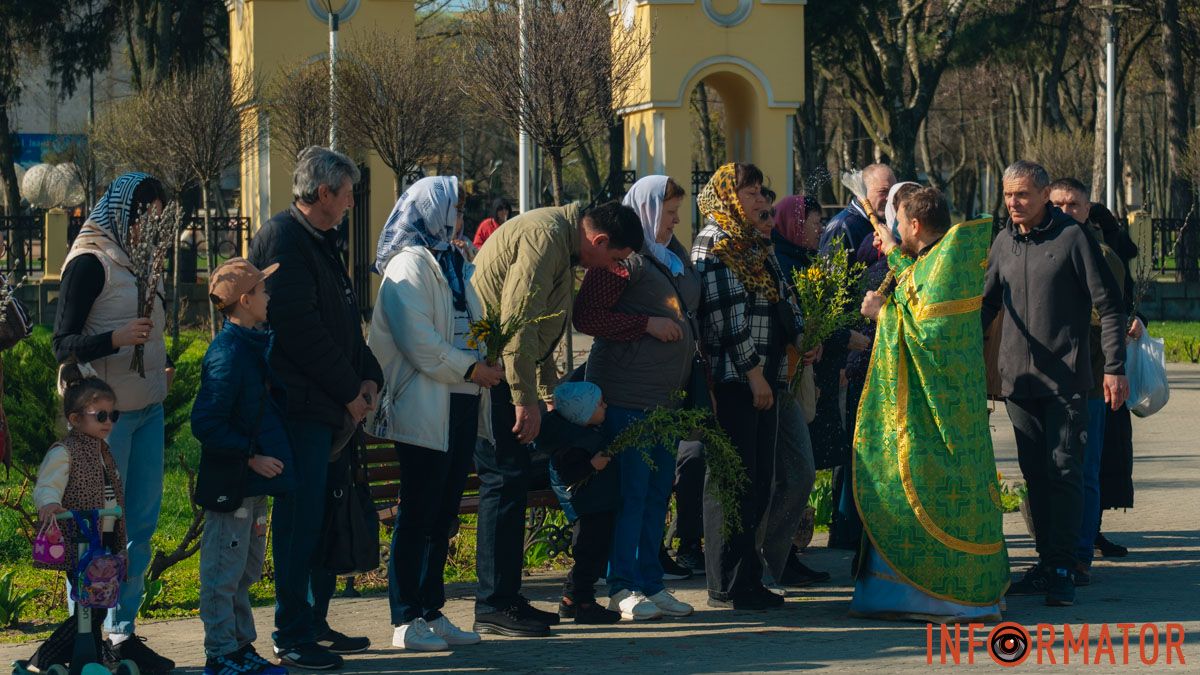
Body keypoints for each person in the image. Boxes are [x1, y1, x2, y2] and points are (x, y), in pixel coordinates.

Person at [469, 200, 643, 636]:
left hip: (507, 377)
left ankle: (507, 597)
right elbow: (519, 323)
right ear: (599, 241)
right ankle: (494, 602)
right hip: (495, 378)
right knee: (504, 483)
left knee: (510, 484)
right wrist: (525, 398)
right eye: (614, 260)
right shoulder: (546, 237)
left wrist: (547, 395)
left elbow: (543, 330)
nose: (610, 269)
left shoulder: (562, 242)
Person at [249, 145, 383, 670]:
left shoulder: (322, 240)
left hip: (333, 407)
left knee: (324, 517)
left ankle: (315, 620)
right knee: (300, 521)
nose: (352, 201)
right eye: (347, 192)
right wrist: (352, 390)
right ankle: (291, 631)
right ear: (323, 193)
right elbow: (299, 331)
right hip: (302, 408)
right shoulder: (283, 237)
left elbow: (345, 323)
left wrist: (368, 375)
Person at [852, 187, 1009, 622]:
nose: (897, 228)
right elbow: (918, 285)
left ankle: (938, 599)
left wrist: (881, 315)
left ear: (916, 226)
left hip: (935, 415)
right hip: (946, 409)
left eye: (899, 222)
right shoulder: (939, 260)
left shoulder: (946, 266)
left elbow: (926, 337)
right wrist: (891, 252)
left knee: (923, 488)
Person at [981, 160, 1128, 607]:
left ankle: (1065, 566)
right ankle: (1046, 562)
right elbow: (985, 306)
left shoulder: (1072, 238)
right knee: (1036, 476)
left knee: (1065, 473)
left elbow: (1111, 307)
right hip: (1019, 384)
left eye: (1022, 194)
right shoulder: (1004, 241)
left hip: (1067, 383)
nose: (1014, 203)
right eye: (1008, 195)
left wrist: (1114, 368)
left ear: (1044, 194)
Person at [366, 176, 504, 651]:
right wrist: (472, 368)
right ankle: (405, 618)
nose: (461, 220)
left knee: (443, 513)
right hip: (426, 403)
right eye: (456, 210)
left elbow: (475, 320)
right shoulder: (408, 265)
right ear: (432, 211)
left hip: (462, 399)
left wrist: (490, 357)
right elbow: (420, 343)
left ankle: (432, 609)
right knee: (418, 511)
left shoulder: (454, 259)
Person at [52, 172, 175, 674]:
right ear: (125, 213)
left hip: (147, 410)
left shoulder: (138, 260)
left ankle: (122, 633)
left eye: (159, 218)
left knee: (139, 528)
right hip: (107, 422)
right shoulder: (90, 261)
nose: (153, 227)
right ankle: (86, 639)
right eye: (147, 217)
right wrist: (117, 339)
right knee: (98, 529)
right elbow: (62, 344)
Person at [573, 175, 699, 621]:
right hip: (626, 396)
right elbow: (587, 315)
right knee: (630, 494)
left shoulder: (671, 258)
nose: (675, 221)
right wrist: (644, 325)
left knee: (655, 493)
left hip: (665, 399)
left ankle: (650, 581)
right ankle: (621, 585)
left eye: (677, 212)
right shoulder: (622, 261)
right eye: (668, 213)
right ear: (645, 211)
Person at [691, 163, 802, 610]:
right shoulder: (716, 242)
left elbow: (783, 295)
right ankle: (728, 582)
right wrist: (753, 372)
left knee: (757, 480)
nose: (761, 200)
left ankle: (748, 577)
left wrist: (799, 338)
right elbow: (724, 317)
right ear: (726, 196)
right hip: (737, 380)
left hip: (768, 376)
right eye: (750, 192)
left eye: (762, 190)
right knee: (732, 481)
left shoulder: (757, 241)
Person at [192, 258, 293, 675]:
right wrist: (249, 456)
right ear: (246, 299)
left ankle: (241, 646)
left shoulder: (252, 344)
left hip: (252, 485)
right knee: (222, 572)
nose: (270, 297)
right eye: (263, 291)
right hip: (233, 483)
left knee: (245, 569)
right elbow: (206, 422)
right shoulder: (228, 354)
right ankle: (220, 655)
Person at [1048, 178, 1139, 585]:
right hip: (1041, 379)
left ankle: (1080, 554)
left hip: (1089, 378)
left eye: (1074, 205)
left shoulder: (1102, 255)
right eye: (1059, 204)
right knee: (1049, 469)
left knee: (1084, 469)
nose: (1066, 212)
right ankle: (1052, 551)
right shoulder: (1034, 248)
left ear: (1088, 210)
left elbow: (1111, 316)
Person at [26, 368, 128, 672]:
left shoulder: (103, 451)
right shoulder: (65, 451)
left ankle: (90, 660)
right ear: (75, 419)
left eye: (113, 416)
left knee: (97, 603)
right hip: (79, 540)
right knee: (92, 605)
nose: (108, 422)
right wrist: (50, 504)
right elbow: (48, 484)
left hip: (105, 539)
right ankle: (43, 660)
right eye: (101, 416)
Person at [758, 194, 830, 589]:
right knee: (777, 474)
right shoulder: (779, 260)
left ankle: (780, 554)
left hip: (788, 380)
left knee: (800, 473)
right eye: (813, 222)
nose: (820, 229)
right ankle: (767, 559)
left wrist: (809, 338)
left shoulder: (793, 261)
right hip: (765, 380)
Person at [541, 382, 622, 625]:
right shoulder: (573, 442)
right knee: (589, 554)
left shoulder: (584, 433)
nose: (605, 405)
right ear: (583, 412)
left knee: (592, 554)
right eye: (599, 403)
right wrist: (592, 466)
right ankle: (584, 603)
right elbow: (568, 474)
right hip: (587, 507)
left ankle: (569, 601)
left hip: (595, 503)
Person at [818, 163, 895, 254]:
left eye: (892, 191)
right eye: (883, 191)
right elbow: (830, 267)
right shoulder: (842, 227)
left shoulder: (888, 221)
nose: (889, 197)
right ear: (864, 190)